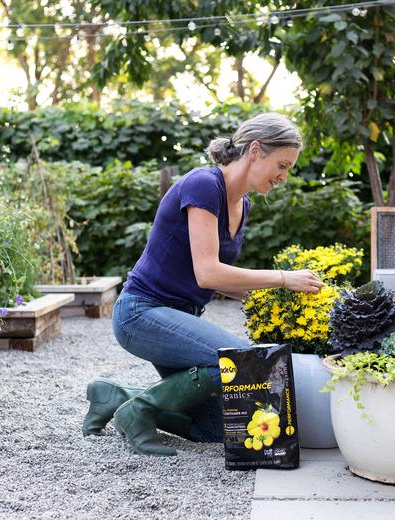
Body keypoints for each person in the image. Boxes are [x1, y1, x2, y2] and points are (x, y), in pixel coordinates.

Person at [83, 112, 324, 456]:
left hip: (180, 319)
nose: (284, 177)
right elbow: (208, 273)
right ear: (255, 150)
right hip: (141, 314)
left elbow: (224, 281)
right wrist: (284, 279)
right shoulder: (204, 184)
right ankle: (139, 411)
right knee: (238, 361)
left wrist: (278, 306)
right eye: (282, 165)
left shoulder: (243, 204)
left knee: (214, 427)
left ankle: (116, 396)